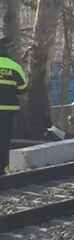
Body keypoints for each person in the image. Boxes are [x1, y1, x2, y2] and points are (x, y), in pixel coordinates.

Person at [0, 38, 28, 176]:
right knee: (4, 139)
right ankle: (3, 167)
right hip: (8, 110)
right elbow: (23, 88)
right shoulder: (14, 66)